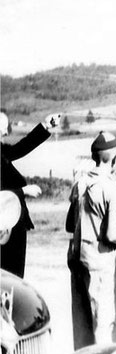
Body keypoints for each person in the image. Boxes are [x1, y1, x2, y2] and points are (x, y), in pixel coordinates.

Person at [66, 131, 116, 349]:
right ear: (113, 157)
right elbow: (110, 235)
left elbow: (71, 225)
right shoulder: (112, 188)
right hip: (100, 265)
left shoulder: (79, 184)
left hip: (79, 261)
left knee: (82, 324)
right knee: (104, 323)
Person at [1, 111, 60, 277]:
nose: (6, 133)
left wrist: (46, 126)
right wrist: (23, 191)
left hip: (10, 226)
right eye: (3, 129)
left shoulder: (1, 152)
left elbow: (21, 147)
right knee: (10, 278)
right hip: (5, 228)